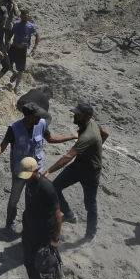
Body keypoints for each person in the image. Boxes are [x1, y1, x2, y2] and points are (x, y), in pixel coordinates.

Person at [0, 103, 64, 235]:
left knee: (36, 199)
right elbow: (2, 146)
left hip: (36, 171)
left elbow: (51, 138)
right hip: (20, 171)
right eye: (37, 116)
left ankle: (32, 225)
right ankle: (9, 225)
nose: (40, 118)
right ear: (29, 116)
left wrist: (71, 136)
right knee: (14, 199)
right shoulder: (14, 128)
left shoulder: (41, 124)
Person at [44, 103, 110, 241]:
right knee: (55, 188)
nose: (74, 115)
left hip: (91, 173)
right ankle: (68, 214)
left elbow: (68, 156)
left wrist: (49, 170)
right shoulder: (92, 123)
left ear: (87, 116)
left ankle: (90, 233)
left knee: (90, 204)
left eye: (78, 114)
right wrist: (95, 148)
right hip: (78, 166)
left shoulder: (87, 136)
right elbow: (105, 133)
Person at [17, 156, 61, 279]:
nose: (25, 179)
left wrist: (55, 238)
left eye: (28, 176)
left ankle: (53, 277)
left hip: (43, 234)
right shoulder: (29, 182)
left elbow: (57, 215)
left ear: (36, 171)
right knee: (28, 261)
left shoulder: (46, 187)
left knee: (43, 261)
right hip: (29, 230)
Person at [7, 10, 39, 92]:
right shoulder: (16, 24)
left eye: (26, 17)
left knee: (21, 69)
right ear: (20, 17)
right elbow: (11, 32)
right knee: (7, 64)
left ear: (28, 16)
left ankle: (16, 87)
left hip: (22, 50)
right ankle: (14, 73)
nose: (25, 19)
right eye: (23, 17)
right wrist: (7, 41)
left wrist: (34, 47)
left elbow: (37, 36)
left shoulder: (31, 26)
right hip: (13, 47)